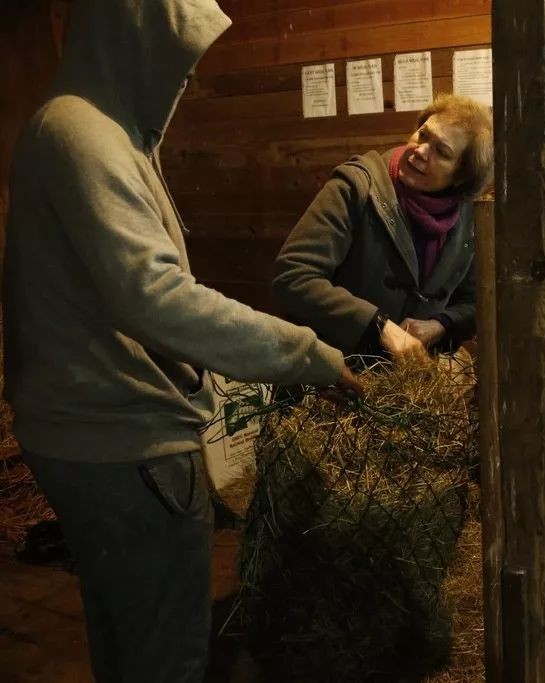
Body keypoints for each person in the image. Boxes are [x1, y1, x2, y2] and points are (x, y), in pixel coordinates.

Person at [2, 1, 361, 681]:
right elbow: (157, 297)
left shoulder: (91, 133)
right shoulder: (83, 137)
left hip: (93, 432)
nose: (188, 77)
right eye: (179, 55)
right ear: (132, 39)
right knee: (165, 650)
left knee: (129, 634)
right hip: (123, 440)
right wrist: (307, 354)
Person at [272, 94, 494, 361]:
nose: (420, 151)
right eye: (423, 135)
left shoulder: (467, 216)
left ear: (461, 176)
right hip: (328, 374)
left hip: (404, 385)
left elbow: (476, 301)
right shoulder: (356, 187)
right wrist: (378, 326)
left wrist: (441, 324)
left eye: (441, 152)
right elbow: (293, 276)